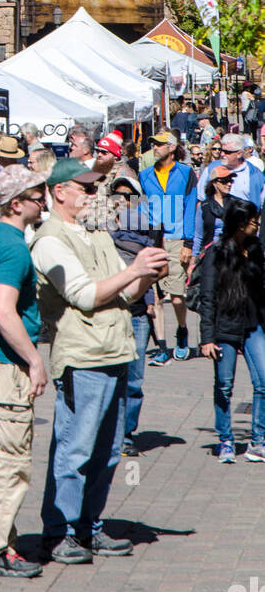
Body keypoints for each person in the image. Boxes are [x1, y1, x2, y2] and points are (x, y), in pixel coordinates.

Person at [31, 159, 167, 564]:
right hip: (82, 356)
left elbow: (123, 293)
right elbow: (85, 296)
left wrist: (148, 274)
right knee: (75, 448)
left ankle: (89, 527)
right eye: (85, 189)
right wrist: (135, 272)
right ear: (59, 193)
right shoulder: (50, 240)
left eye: (95, 189)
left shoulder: (96, 236)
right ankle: (59, 531)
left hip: (115, 350)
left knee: (107, 451)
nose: (94, 196)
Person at [0, 167, 49, 579]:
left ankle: (0, 541)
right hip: (4, 364)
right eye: (38, 195)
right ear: (16, 203)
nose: (44, 200)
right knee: (9, 460)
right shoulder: (13, 247)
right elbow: (4, 311)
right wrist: (35, 360)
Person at [199, 200, 265, 463]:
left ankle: (257, 441)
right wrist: (207, 338)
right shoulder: (216, 252)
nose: (258, 225)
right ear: (240, 224)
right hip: (225, 325)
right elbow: (208, 297)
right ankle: (226, 440)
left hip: (254, 324)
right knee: (225, 385)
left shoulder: (257, 249)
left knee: (263, 383)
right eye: (254, 221)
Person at [109, 172, 159, 458]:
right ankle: (108, 432)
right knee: (109, 374)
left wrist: (151, 300)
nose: (123, 201)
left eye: (129, 196)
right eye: (118, 195)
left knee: (134, 378)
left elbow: (151, 269)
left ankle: (126, 434)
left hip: (137, 311)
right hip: (108, 309)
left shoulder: (144, 229)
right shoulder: (100, 228)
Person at [139, 131, 197, 364]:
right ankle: (162, 345)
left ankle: (182, 330)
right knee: (154, 296)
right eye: (153, 144)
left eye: (160, 145)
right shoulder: (145, 175)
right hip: (152, 239)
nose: (155, 148)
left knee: (175, 295)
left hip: (176, 237)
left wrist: (189, 242)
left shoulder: (185, 173)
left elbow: (191, 206)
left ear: (172, 148)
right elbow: (140, 206)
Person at [193, 165, 236, 257]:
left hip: (232, 253)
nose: (229, 184)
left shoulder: (236, 204)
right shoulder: (205, 206)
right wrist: (194, 258)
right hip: (210, 254)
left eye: (230, 180)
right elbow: (198, 235)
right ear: (215, 183)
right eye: (225, 181)